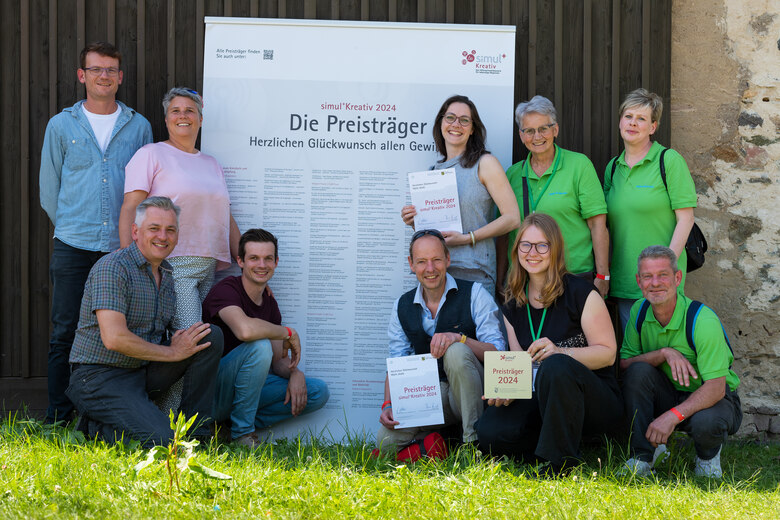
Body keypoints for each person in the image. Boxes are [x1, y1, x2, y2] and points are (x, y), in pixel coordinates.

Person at [39, 42, 153, 424]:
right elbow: (48, 190)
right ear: (81, 75)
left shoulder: (138, 126)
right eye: (96, 69)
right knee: (65, 331)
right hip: (73, 246)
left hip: (118, 249)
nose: (103, 76)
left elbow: (146, 188)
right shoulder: (61, 125)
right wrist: (72, 226)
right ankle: (58, 417)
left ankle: (103, 414)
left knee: (118, 335)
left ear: (120, 78)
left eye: (111, 70)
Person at [65, 197, 224, 447]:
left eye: (170, 230)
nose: (163, 236)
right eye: (154, 228)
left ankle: (197, 433)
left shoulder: (168, 274)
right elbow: (114, 338)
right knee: (166, 444)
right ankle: (96, 426)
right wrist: (172, 352)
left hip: (140, 373)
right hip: (98, 377)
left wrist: (180, 348)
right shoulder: (113, 268)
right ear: (135, 232)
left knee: (208, 337)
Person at [476, 213, 622, 475]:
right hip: (544, 398)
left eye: (542, 245)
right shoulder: (512, 304)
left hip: (594, 401)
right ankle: (551, 441)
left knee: (555, 366)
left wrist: (560, 352)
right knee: (490, 434)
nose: (533, 252)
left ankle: (559, 464)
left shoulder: (581, 292)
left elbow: (608, 354)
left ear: (555, 250)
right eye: (526, 245)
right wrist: (507, 389)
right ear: (517, 249)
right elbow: (522, 368)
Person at [119, 87, 240, 331]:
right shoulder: (151, 154)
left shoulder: (211, 163)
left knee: (198, 338)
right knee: (193, 335)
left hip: (209, 266)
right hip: (173, 263)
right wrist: (127, 262)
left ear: (201, 119)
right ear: (166, 119)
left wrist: (245, 264)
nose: (183, 115)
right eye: (175, 111)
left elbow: (225, 216)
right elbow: (131, 206)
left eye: (190, 111)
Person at [376, 229, 506, 454]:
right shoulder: (402, 305)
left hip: (472, 392)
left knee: (456, 351)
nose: (430, 269)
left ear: (447, 259)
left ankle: (472, 445)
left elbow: (498, 355)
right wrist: (388, 404)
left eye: (436, 259)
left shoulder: (475, 294)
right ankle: (442, 441)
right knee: (385, 443)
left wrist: (460, 339)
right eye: (422, 262)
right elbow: (396, 364)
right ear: (411, 264)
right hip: (430, 397)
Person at [620, 246, 741, 478]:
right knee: (637, 372)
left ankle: (708, 456)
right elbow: (624, 364)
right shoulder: (639, 310)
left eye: (663, 275)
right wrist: (663, 353)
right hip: (668, 392)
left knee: (708, 422)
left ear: (677, 278)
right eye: (647, 276)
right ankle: (642, 457)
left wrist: (671, 416)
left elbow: (716, 388)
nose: (655, 283)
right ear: (639, 281)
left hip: (713, 399)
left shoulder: (702, 319)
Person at [202, 228, 330, 446]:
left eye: (267, 259)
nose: (262, 265)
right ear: (240, 261)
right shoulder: (226, 290)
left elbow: (277, 360)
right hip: (212, 392)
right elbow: (245, 331)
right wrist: (288, 332)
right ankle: (243, 434)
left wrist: (294, 373)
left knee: (317, 392)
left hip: (245, 392)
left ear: (276, 262)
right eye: (254, 258)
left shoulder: (269, 304)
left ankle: (224, 430)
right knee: (259, 346)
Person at [401, 95, 520, 297]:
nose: (456, 124)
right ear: (441, 123)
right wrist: (415, 222)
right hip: (437, 276)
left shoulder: (485, 164)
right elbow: (436, 231)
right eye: (450, 118)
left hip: (475, 275)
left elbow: (512, 218)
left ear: (472, 129)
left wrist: (467, 238)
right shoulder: (432, 172)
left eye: (464, 120)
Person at [497, 96, 609, 298]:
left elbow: (597, 225)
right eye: (529, 130)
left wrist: (602, 276)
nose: (537, 136)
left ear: (555, 130)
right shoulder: (512, 175)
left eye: (543, 128)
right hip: (525, 281)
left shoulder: (579, 166)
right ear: (521, 135)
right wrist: (500, 278)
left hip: (572, 277)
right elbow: (504, 234)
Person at [604, 88, 697, 331]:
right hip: (626, 279)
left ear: (653, 127)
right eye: (628, 116)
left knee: (666, 354)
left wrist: (665, 270)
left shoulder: (669, 161)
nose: (633, 123)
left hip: (661, 282)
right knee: (635, 359)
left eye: (641, 118)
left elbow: (686, 220)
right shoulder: (612, 168)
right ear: (620, 120)